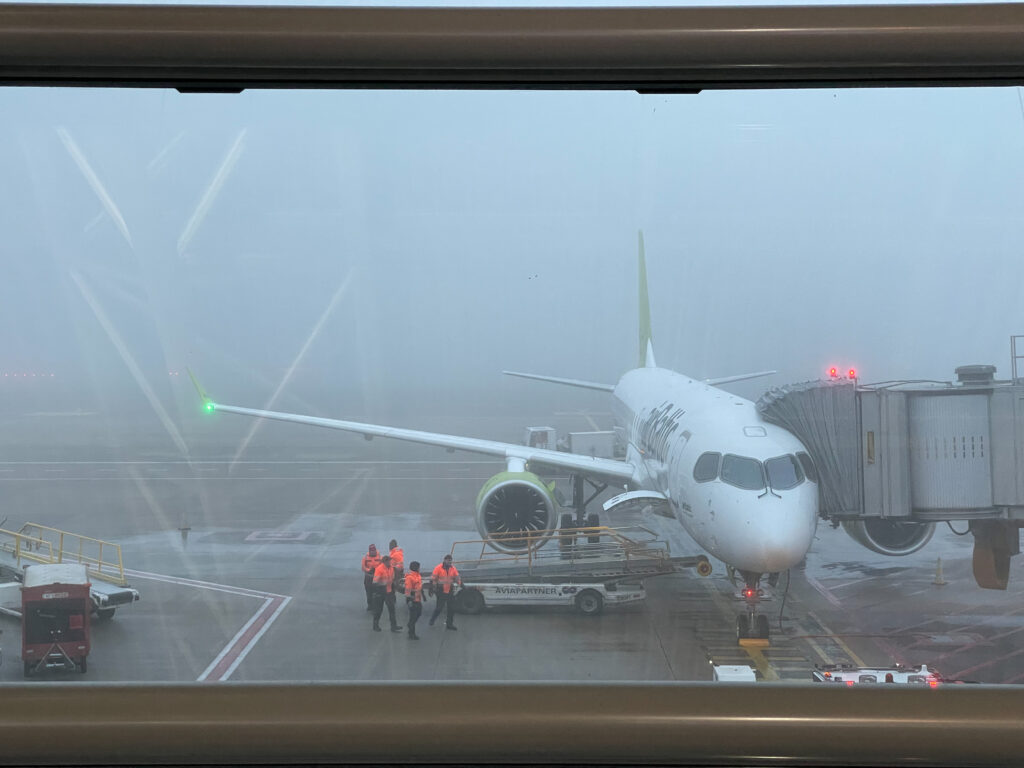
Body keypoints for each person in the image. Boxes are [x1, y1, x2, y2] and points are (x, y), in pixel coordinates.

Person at [430, 554, 462, 630]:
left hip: (449, 590)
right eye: (448, 560)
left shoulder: (453, 568)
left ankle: (449, 624)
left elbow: (457, 578)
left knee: (451, 608)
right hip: (440, 591)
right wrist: (433, 589)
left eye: (451, 560)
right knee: (439, 608)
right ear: (444, 560)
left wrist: (462, 585)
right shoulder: (438, 568)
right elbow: (433, 579)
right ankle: (432, 620)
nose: (450, 562)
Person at [371, 554, 402, 632]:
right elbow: (375, 582)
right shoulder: (379, 569)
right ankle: (375, 625)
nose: (390, 562)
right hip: (380, 592)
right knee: (379, 610)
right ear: (384, 562)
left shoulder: (391, 568)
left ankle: (393, 626)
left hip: (389, 592)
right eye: (389, 561)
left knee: (392, 609)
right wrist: (383, 584)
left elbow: (393, 578)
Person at [404, 561, 424, 640]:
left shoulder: (418, 575)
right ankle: (411, 634)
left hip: (417, 599)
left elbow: (419, 586)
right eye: (419, 567)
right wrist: (410, 600)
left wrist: (423, 595)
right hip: (412, 599)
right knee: (413, 617)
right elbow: (408, 590)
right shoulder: (410, 577)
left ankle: (410, 625)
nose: (420, 568)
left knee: (419, 613)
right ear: (416, 568)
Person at [360, 544, 381, 611]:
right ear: (369, 551)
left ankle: (376, 606)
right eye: (371, 551)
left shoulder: (380, 557)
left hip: (377, 578)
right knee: (369, 593)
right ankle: (370, 604)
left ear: (375, 550)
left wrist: (377, 570)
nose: (373, 552)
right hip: (368, 578)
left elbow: (383, 566)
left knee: (377, 593)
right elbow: (363, 567)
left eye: (374, 550)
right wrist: (369, 570)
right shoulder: (365, 558)